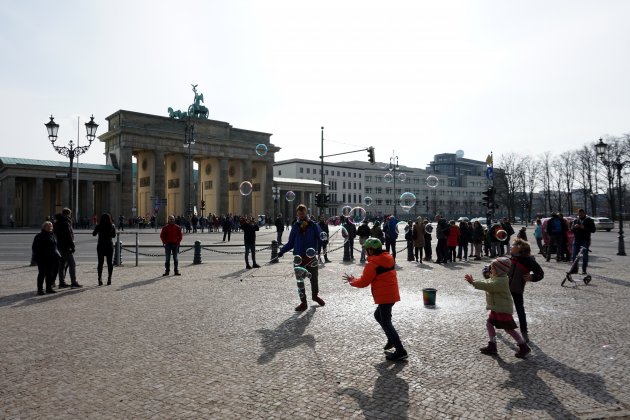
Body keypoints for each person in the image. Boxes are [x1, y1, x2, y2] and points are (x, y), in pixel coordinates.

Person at [343, 238, 408, 362]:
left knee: (387, 322)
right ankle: (391, 339)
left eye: (367, 250)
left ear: (371, 250)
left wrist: (352, 281)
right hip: (391, 294)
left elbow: (364, 282)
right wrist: (356, 279)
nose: (366, 253)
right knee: (378, 315)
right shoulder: (387, 257)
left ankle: (400, 350)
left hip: (384, 296)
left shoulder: (373, 264)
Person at [464, 257, 531, 358]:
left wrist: (473, 282)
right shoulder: (497, 277)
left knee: (509, 329)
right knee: (489, 324)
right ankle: (492, 345)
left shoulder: (502, 280)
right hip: (497, 308)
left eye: (493, 268)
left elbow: (489, 286)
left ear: (500, 270)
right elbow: (487, 282)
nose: (491, 270)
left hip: (503, 310)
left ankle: (523, 346)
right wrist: (475, 281)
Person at [277, 204, 324, 311]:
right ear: (297, 214)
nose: (301, 215)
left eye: (302, 213)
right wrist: (282, 251)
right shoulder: (295, 226)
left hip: (311, 257)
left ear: (306, 212)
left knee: (314, 278)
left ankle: (315, 296)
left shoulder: (313, 225)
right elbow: (291, 242)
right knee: (300, 281)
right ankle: (303, 303)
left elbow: (321, 236)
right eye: (299, 213)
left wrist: (322, 243)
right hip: (299, 257)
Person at [508, 238, 544, 343]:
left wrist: (532, 277)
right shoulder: (511, 258)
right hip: (505, 288)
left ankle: (524, 332)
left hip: (517, 289)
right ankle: (494, 324)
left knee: (520, 311)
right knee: (499, 307)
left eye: (513, 245)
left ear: (519, 248)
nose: (511, 246)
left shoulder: (528, 260)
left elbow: (540, 273)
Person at [54, 208, 81, 289]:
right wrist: (72, 246)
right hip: (66, 246)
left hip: (59, 246)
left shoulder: (58, 222)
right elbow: (68, 235)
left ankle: (61, 282)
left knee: (62, 265)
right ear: (69, 214)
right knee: (72, 264)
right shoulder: (66, 222)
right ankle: (74, 282)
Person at [32, 221, 60, 295]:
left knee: (49, 274)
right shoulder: (39, 236)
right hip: (42, 258)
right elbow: (35, 248)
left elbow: (55, 246)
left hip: (51, 258)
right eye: (48, 226)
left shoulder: (53, 235)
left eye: (51, 226)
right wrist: (38, 258)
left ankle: (48, 288)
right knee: (41, 274)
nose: (50, 227)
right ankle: (40, 290)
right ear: (44, 227)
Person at [92, 213, 116, 285]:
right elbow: (114, 236)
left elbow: (94, 234)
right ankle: (109, 279)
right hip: (109, 245)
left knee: (100, 263)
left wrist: (97, 228)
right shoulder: (112, 226)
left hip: (101, 245)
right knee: (109, 263)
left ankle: (100, 279)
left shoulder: (99, 226)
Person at [570, 208, 596, 274]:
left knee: (585, 255)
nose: (580, 215)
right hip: (577, 240)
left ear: (584, 213)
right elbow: (571, 229)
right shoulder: (576, 220)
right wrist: (574, 227)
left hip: (585, 240)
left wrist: (583, 227)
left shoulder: (589, 220)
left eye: (581, 214)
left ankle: (584, 269)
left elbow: (593, 230)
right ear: (578, 214)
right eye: (579, 214)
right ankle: (575, 269)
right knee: (574, 255)